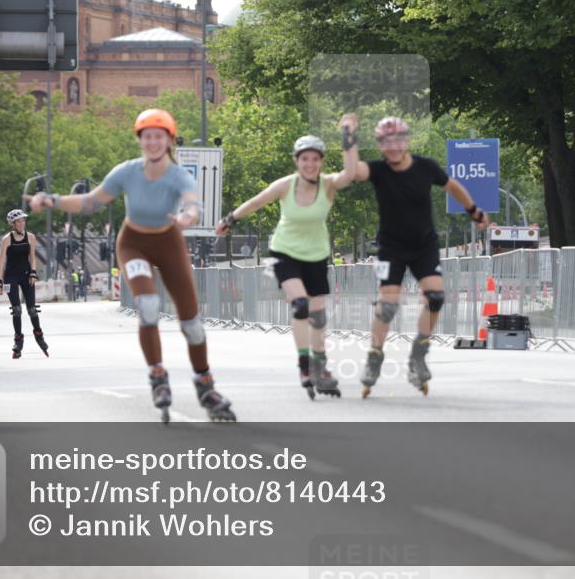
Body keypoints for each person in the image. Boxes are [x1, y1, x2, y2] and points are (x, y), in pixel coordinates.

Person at [29, 108, 236, 423]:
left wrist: (186, 217)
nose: (152, 142)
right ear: (140, 140)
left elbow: (193, 202)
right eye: (147, 137)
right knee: (149, 305)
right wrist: (52, 200)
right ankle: (157, 374)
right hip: (133, 244)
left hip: (169, 245)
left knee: (192, 323)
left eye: (159, 137)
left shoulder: (179, 174)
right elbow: (90, 202)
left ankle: (205, 383)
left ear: (168, 141)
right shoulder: (126, 172)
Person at [216, 119, 358, 399]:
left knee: (318, 317)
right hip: (284, 252)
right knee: (301, 305)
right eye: (304, 159)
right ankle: (304, 364)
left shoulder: (328, 186)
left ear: (321, 162)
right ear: (297, 161)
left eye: (315, 159)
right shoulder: (286, 186)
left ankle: (320, 365)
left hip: (316, 255)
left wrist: (348, 137)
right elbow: (257, 201)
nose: (310, 164)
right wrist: (230, 219)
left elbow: (351, 173)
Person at [351, 116, 489, 397]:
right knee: (387, 306)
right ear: (380, 147)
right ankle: (374, 357)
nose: (392, 147)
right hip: (391, 247)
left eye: (397, 141)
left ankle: (418, 354)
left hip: (424, 245)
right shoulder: (378, 171)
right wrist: (349, 136)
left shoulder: (425, 167)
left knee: (436, 298)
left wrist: (473, 210)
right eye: (385, 143)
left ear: (406, 142)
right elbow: (353, 170)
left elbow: (453, 186)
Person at [0, 209, 48, 358]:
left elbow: (32, 257)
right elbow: (1, 262)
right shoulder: (7, 239)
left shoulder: (30, 237)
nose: (21, 223)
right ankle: (18, 341)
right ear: (13, 224)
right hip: (11, 276)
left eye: (23, 220)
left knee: (32, 309)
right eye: (18, 221)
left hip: (26, 275)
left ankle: (39, 334)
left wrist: (33, 272)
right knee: (17, 309)